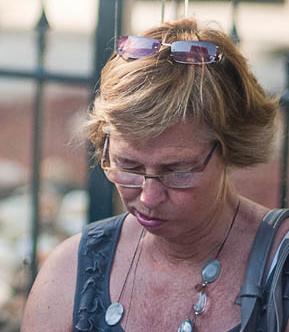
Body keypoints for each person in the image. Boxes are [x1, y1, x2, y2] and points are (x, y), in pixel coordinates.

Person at [21, 18, 287, 331]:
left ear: (231, 147)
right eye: (128, 165)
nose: (148, 197)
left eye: (177, 170)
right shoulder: (71, 271)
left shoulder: (279, 269)